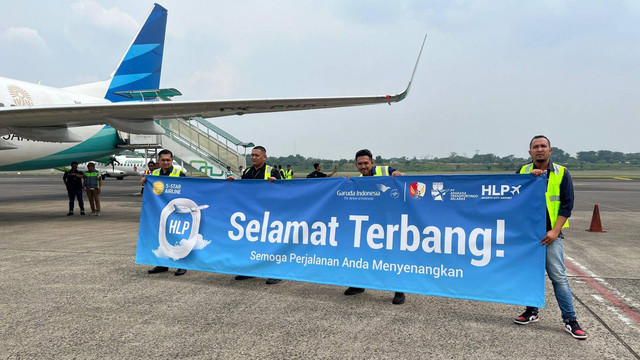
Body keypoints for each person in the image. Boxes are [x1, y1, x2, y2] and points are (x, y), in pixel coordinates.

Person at [513, 135, 587, 340]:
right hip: (529, 235)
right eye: (535, 147)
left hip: (550, 234)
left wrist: (554, 232)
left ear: (550, 150)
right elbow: (513, 197)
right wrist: (530, 180)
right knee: (530, 274)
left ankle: (570, 320)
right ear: (529, 152)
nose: (539, 149)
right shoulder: (523, 171)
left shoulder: (562, 173)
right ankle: (531, 311)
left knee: (558, 278)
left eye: (543, 146)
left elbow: (566, 204)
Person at [344, 149, 406, 305]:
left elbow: (401, 177)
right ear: (356, 165)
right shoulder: (357, 179)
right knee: (361, 253)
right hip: (369, 222)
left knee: (390, 254)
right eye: (360, 164)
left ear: (372, 162)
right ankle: (359, 285)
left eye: (366, 163)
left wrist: (398, 174)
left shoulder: (385, 170)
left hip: (388, 221)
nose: (363, 166)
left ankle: (399, 289)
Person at [228, 145, 282, 284]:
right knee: (251, 241)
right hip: (252, 213)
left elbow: (284, 189)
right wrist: (232, 183)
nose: (253, 157)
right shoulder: (247, 171)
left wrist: (276, 183)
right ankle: (250, 270)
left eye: (256, 155)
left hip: (269, 213)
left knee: (271, 242)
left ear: (264, 157)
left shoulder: (272, 171)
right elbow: (242, 190)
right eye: (252, 155)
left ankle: (276, 272)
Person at [143, 149, 188, 276]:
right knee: (160, 237)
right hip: (159, 211)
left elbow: (187, 190)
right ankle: (162, 264)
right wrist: (144, 181)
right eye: (163, 160)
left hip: (175, 212)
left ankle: (181, 264)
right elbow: (150, 188)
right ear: (159, 161)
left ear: (172, 160)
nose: (166, 162)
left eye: (168, 160)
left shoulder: (179, 173)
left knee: (177, 237)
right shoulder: (155, 173)